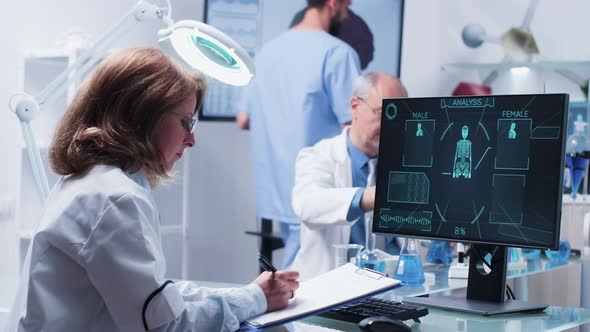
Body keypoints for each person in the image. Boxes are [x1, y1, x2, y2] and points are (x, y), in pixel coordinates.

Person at [8, 47, 299, 332]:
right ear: (142, 115)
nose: (191, 140)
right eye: (185, 122)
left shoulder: (89, 183)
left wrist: (245, 295)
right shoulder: (114, 198)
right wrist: (254, 299)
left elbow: (156, 298)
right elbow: (165, 325)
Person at [235, 0, 361, 270]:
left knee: (295, 271)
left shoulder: (266, 52)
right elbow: (355, 126)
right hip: (318, 189)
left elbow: (243, 119)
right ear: (333, 3)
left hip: (276, 190)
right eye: (347, 7)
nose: (348, 15)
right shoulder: (337, 53)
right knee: (305, 282)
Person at [290, 72, 407, 280]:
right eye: (382, 113)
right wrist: (368, 197)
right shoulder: (318, 156)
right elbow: (307, 204)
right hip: (327, 287)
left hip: (387, 287)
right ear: (355, 107)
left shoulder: (405, 162)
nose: (392, 125)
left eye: (399, 116)